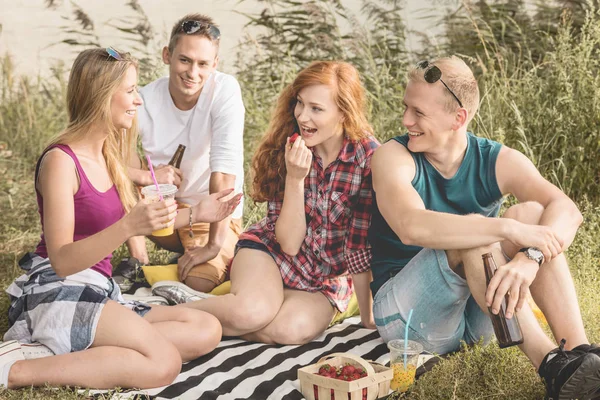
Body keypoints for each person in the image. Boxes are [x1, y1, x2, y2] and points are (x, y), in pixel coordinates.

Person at [0, 47, 241, 390]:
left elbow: (144, 219)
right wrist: (127, 227)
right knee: (163, 363)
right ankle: (16, 368)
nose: (138, 101)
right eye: (130, 91)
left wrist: (199, 213)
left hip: (101, 290)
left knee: (205, 329)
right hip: (60, 288)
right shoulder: (61, 162)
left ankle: (86, 348)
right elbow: (62, 259)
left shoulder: (108, 153)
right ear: (101, 97)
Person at [368, 56, 600, 399]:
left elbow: (567, 210)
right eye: (407, 108)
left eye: (418, 112)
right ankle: (551, 367)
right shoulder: (393, 156)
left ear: (458, 118)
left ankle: (582, 359)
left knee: (534, 212)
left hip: (479, 318)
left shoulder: (496, 159)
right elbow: (409, 226)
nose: (405, 120)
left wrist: (530, 256)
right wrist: (504, 229)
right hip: (407, 317)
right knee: (479, 231)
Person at [152, 61, 380, 345]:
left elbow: (359, 244)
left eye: (316, 109)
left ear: (344, 113)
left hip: (324, 279)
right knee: (252, 313)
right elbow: (289, 244)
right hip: (271, 253)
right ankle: (149, 318)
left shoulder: (367, 159)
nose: (302, 116)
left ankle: (211, 308)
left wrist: (369, 316)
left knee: (289, 330)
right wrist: (296, 178)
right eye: (300, 103)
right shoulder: (287, 146)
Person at [127, 13, 245, 294]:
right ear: (167, 55)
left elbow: (224, 173)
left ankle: (216, 250)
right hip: (164, 216)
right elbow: (102, 159)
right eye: (185, 60)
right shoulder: (143, 99)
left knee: (197, 284)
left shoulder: (224, 90)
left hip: (207, 218)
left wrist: (213, 245)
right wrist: (146, 175)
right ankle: (137, 261)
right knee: (123, 157)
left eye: (203, 64)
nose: (193, 73)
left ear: (214, 64)